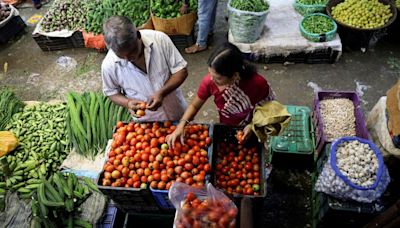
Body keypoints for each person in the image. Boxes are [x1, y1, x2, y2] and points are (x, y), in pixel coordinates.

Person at [166, 42, 275, 146]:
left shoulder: (257, 84)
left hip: (253, 124)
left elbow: (269, 109)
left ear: (234, 75)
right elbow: (194, 106)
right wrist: (181, 125)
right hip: (227, 123)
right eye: (210, 74)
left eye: (218, 78)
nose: (212, 79)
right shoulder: (209, 82)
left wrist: (253, 126)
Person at [101, 16, 188, 121]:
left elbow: (181, 71)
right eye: (121, 56)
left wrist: (162, 92)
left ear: (138, 35)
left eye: (132, 52)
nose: (128, 59)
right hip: (147, 122)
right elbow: (112, 92)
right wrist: (127, 103)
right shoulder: (109, 65)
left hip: (176, 109)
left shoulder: (159, 40)